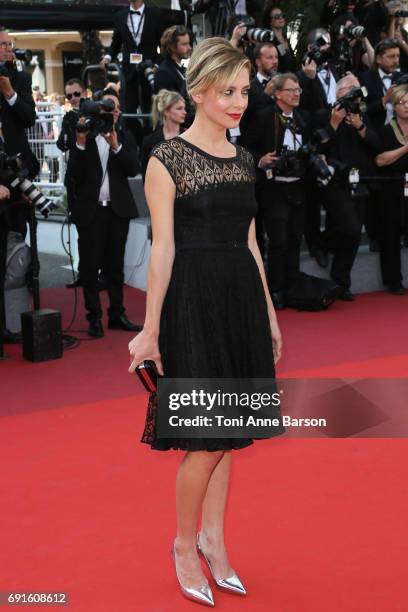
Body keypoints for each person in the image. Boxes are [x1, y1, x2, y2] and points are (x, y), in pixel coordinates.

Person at [128, 38, 283, 606]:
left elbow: (250, 241)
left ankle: (215, 542)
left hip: (240, 298)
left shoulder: (244, 161)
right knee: (204, 439)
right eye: (228, 92)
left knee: (230, 435)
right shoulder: (165, 161)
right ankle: (182, 544)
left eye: (245, 91)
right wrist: (149, 329)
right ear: (198, 92)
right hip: (190, 302)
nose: (240, 102)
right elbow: (162, 249)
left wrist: (267, 311)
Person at [66, 92, 142, 337]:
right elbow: (73, 176)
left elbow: (132, 168)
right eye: (108, 109)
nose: (113, 113)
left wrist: (115, 145)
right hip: (91, 212)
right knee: (89, 267)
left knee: (115, 266)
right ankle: (94, 318)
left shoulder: (123, 136)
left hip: (117, 210)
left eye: (116, 109)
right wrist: (79, 140)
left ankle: (117, 314)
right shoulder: (83, 138)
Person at [245, 73, 311, 310]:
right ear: (278, 94)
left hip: (298, 186)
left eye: (299, 90)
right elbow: (245, 146)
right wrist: (260, 159)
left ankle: (292, 285)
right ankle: (276, 289)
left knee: (294, 239)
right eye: (292, 90)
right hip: (273, 188)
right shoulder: (264, 117)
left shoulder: (303, 118)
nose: (296, 94)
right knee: (279, 241)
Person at [311, 73, 381, 300]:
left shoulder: (362, 117)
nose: (355, 95)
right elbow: (318, 147)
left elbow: (375, 146)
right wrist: (334, 122)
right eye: (351, 90)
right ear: (339, 93)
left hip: (358, 179)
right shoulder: (323, 115)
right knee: (350, 227)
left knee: (352, 233)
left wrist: (360, 127)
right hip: (331, 181)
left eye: (358, 91)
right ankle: (319, 242)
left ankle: (341, 281)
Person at [0, 27, 38, 346]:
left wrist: (9, 91)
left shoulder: (19, 78)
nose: (9, 49)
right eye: (2, 45)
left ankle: (14, 319)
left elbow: (28, 119)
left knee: (17, 245)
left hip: (18, 171)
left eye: (10, 44)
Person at [374, 83, 408, 294]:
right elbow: (380, 160)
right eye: (402, 103)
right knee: (390, 234)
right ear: (394, 107)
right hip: (392, 187)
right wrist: (406, 148)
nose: (406, 106)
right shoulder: (385, 132)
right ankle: (393, 280)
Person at [140, 89, 186, 179]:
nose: (184, 112)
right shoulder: (150, 141)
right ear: (166, 111)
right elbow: (147, 177)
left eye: (184, 108)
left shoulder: (190, 137)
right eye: (179, 108)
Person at [261, 4, 297, 72]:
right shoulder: (270, 40)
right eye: (277, 17)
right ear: (270, 21)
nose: (281, 18)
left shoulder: (285, 37)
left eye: (282, 15)